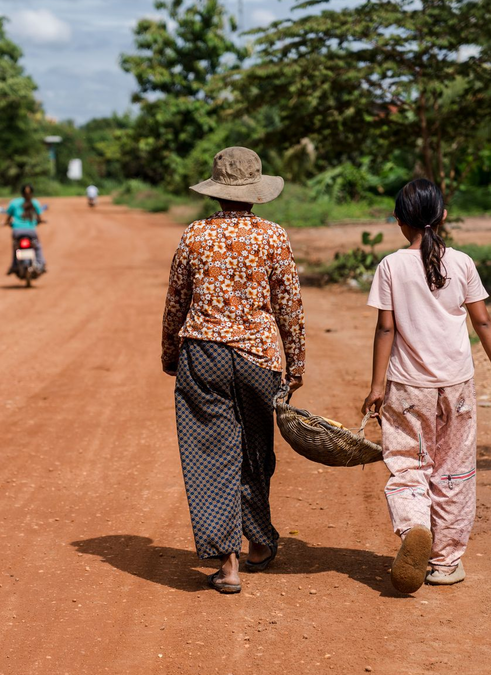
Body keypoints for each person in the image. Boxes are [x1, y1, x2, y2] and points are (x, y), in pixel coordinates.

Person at [361, 178, 491, 594]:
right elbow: (482, 321)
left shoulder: (390, 266)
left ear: (398, 221)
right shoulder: (462, 263)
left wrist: (377, 386)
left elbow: (385, 329)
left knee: (407, 463)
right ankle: (446, 562)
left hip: (407, 388)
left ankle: (415, 525)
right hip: (458, 387)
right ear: (443, 216)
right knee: (454, 472)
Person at [161, 147, 306, 595]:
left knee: (211, 455)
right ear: (256, 192)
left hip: (202, 355)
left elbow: (176, 301)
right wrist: (296, 363)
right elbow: (289, 306)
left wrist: (171, 355)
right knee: (256, 451)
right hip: (259, 359)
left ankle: (229, 564)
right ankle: (259, 542)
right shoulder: (273, 236)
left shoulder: (194, 235)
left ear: (216, 190)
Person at [4, 184, 45, 274]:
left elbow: (8, 217)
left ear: (21, 193)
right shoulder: (34, 203)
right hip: (31, 231)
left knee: (16, 247)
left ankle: (14, 265)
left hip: (17, 231)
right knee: (37, 247)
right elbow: (39, 218)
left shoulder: (14, 202)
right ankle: (40, 264)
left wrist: (7, 222)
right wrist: (40, 221)